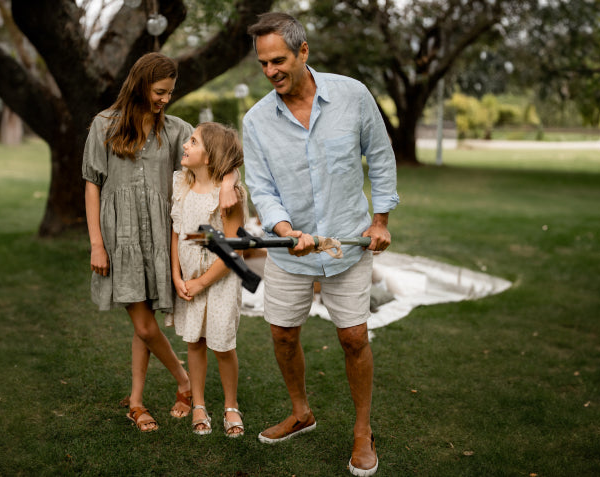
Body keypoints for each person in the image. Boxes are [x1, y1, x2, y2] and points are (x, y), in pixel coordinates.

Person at [242, 13, 399, 476]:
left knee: (353, 338)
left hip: (348, 247)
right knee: (282, 334)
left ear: (303, 52)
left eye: (279, 60)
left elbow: (381, 155)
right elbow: (263, 187)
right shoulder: (256, 121)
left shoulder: (352, 95)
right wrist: (285, 230)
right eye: (263, 63)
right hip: (289, 253)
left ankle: (362, 431)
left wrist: (381, 219)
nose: (271, 72)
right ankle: (300, 412)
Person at [82, 53, 237, 432]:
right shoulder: (104, 124)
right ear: (140, 84)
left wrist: (230, 183)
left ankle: (136, 402)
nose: (165, 99)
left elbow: (224, 151)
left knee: (146, 324)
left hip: (160, 236)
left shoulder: (176, 130)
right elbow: (91, 185)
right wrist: (96, 244)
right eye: (159, 91)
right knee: (146, 325)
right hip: (122, 237)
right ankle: (183, 380)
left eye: (170, 93)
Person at [167, 122, 247, 437]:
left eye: (193, 141)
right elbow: (176, 233)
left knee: (222, 344)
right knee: (195, 341)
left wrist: (202, 282)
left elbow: (233, 251)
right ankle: (198, 402)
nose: (185, 145)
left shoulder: (228, 196)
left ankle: (231, 405)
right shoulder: (182, 186)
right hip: (188, 278)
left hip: (220, 280)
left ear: (210, 157)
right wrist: (177, 276)